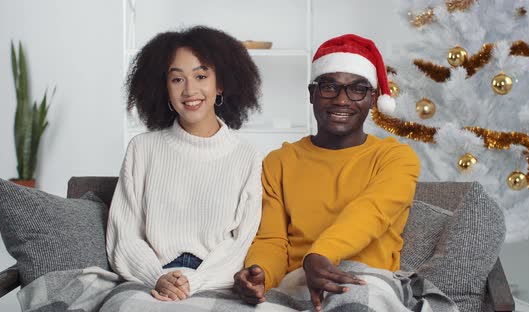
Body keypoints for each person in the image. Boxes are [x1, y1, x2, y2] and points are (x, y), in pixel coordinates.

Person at [233, 34, 420, 311]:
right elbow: (271, 239)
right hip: (294, 280)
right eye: (329, 87)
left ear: (372, 99)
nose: (342, 100)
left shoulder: (396, 158)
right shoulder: (279, 162)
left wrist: (320, 255)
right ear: (312, 94)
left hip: (367, 279)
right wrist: (260, 273)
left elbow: (371, 213)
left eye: (357, 89)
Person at [106, 26, 263, 302]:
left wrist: (192, 281)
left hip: (217, 284)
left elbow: (241, 244)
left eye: (201, 76)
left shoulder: (247, 156)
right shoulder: (141, 150)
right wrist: (157, 277)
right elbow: (124, 236)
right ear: (164, 88)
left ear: (220, 83)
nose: (190, 90)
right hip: (150, 282)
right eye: (177, 79)